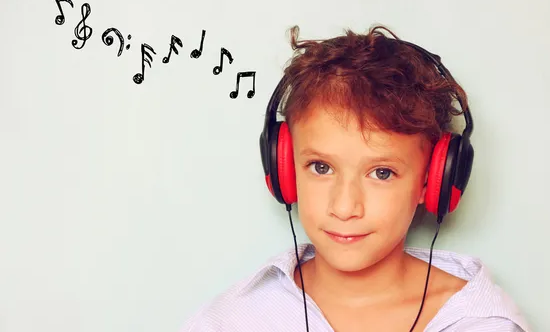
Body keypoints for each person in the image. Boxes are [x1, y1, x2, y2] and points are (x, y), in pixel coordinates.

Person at [179, 25, 530, 332]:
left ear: (434, 180)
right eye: (321, 168)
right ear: (283, 169)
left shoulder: (480, 323)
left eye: (381, 173)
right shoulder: (234, 320)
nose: (345, 207)